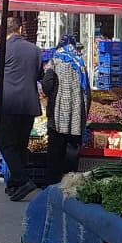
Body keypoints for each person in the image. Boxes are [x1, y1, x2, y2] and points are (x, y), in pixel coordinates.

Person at [0, 16, 43, 201]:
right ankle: (15, 184)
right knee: (20, 145)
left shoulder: (2, 48)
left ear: (4, 31)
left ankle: (22, 179)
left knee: (6, 144)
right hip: (28, 104)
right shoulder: (34, 49)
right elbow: (40, 73)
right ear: (19, 30)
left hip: (7, 103)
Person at [41, 34, 90, 178]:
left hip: (58, 114)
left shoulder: (55, 61)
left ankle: (54, 181)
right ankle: (69, 180)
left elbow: (47, 86)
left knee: (55, 150)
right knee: (72, 149)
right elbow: (87, 90)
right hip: (77, 114)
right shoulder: (80, 63)